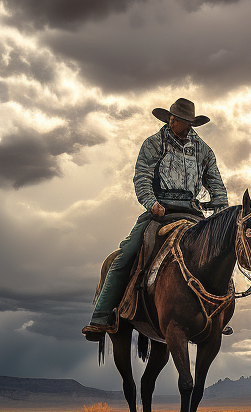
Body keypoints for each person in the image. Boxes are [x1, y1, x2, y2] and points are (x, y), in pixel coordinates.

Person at [82, 98, 229, 341]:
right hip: (159, 210)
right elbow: (142, 176)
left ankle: (217, 313)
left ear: (190, 123)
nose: (173, 121)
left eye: (178, 119)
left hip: (193, 212)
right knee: (126, 254)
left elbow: (215, 182)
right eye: (171, 118)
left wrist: (221, 211)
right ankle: (101, 316)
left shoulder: (203, 150)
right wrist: (152, 203)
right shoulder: (153, 144)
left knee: (216, 255)